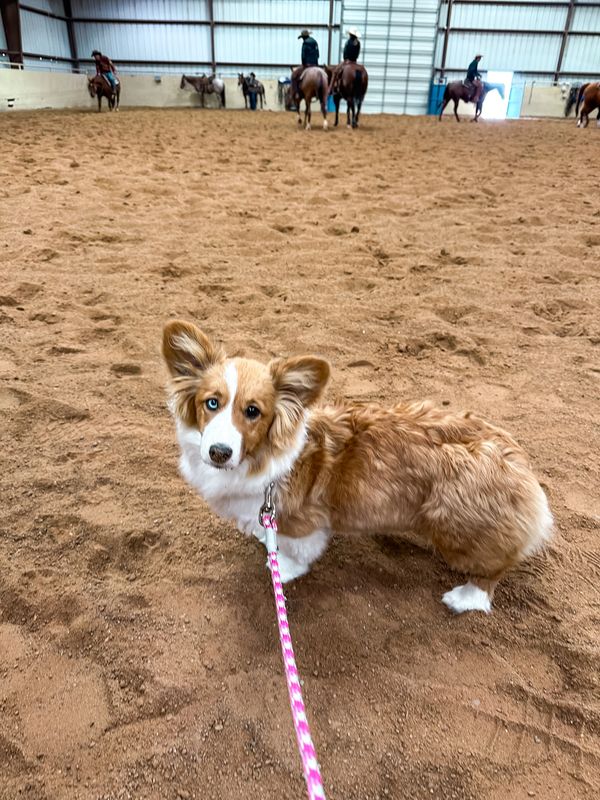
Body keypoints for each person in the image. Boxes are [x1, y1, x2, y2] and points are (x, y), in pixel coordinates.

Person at [291, 30, 320, 100]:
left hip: (307, 64)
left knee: (294, 76)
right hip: (315, 64)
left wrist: (304, 64)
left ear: (303, 37)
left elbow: (303, 56)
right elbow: (318, 54)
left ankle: (297, 93)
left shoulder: (305, 43)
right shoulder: (315, 42)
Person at [331, 28, 361, 93]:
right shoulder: (358, 43)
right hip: (354, 61)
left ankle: (332, 88)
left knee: (335, 71)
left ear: (350, 34)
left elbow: (345, 52)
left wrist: (345, 58)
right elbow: (357, 53)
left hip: (347, 61)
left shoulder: (348, 42)